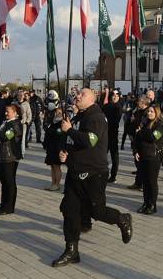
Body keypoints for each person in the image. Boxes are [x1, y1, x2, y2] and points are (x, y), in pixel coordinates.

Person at [52, 88, 133, 267]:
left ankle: (121, 219)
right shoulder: (79, 116)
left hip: (93, 173)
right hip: (75, 172)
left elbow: (90, 140)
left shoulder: (96, 116)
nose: (77, 96)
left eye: (81, 94)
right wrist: (64, 152)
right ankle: (71, 250)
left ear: (91, 99)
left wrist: (70, 130)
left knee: (96, 211)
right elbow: (70, 140)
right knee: (70, 210)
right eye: (77, 94)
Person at [133, 104, 163, 214]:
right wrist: (136, 151)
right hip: (143, 155)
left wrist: (141, 131)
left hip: (153, 157)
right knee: (145, 181)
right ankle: (146, 202)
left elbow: (152, 137)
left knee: (152, 182)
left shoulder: (160, 124)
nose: (149, 113)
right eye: (148, 111)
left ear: (156, 113)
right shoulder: (145, 123)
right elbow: (136, 139)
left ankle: (152, 204)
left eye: (152, 111)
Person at [0, 104, 23, 215]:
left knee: (9, 182)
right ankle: (3, 204)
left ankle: (8, 206)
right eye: (5, 111)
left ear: (15, 113)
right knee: (4, 183)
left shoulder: (16, 124)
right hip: (1, 156)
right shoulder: (6, 123)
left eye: (8, 111)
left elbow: (6, 136)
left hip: (10, 157)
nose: (6, 113)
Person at [102, 90, 123, 182]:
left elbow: (116, 120)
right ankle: (103, 173)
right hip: (104, 133)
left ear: (119, 97)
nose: (115, 97)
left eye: (117, 96)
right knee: (102, 155)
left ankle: (113, 176)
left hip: (113, 134)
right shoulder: (106, 106)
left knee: (114, 156)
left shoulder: (118, 107)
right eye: (113, 95)